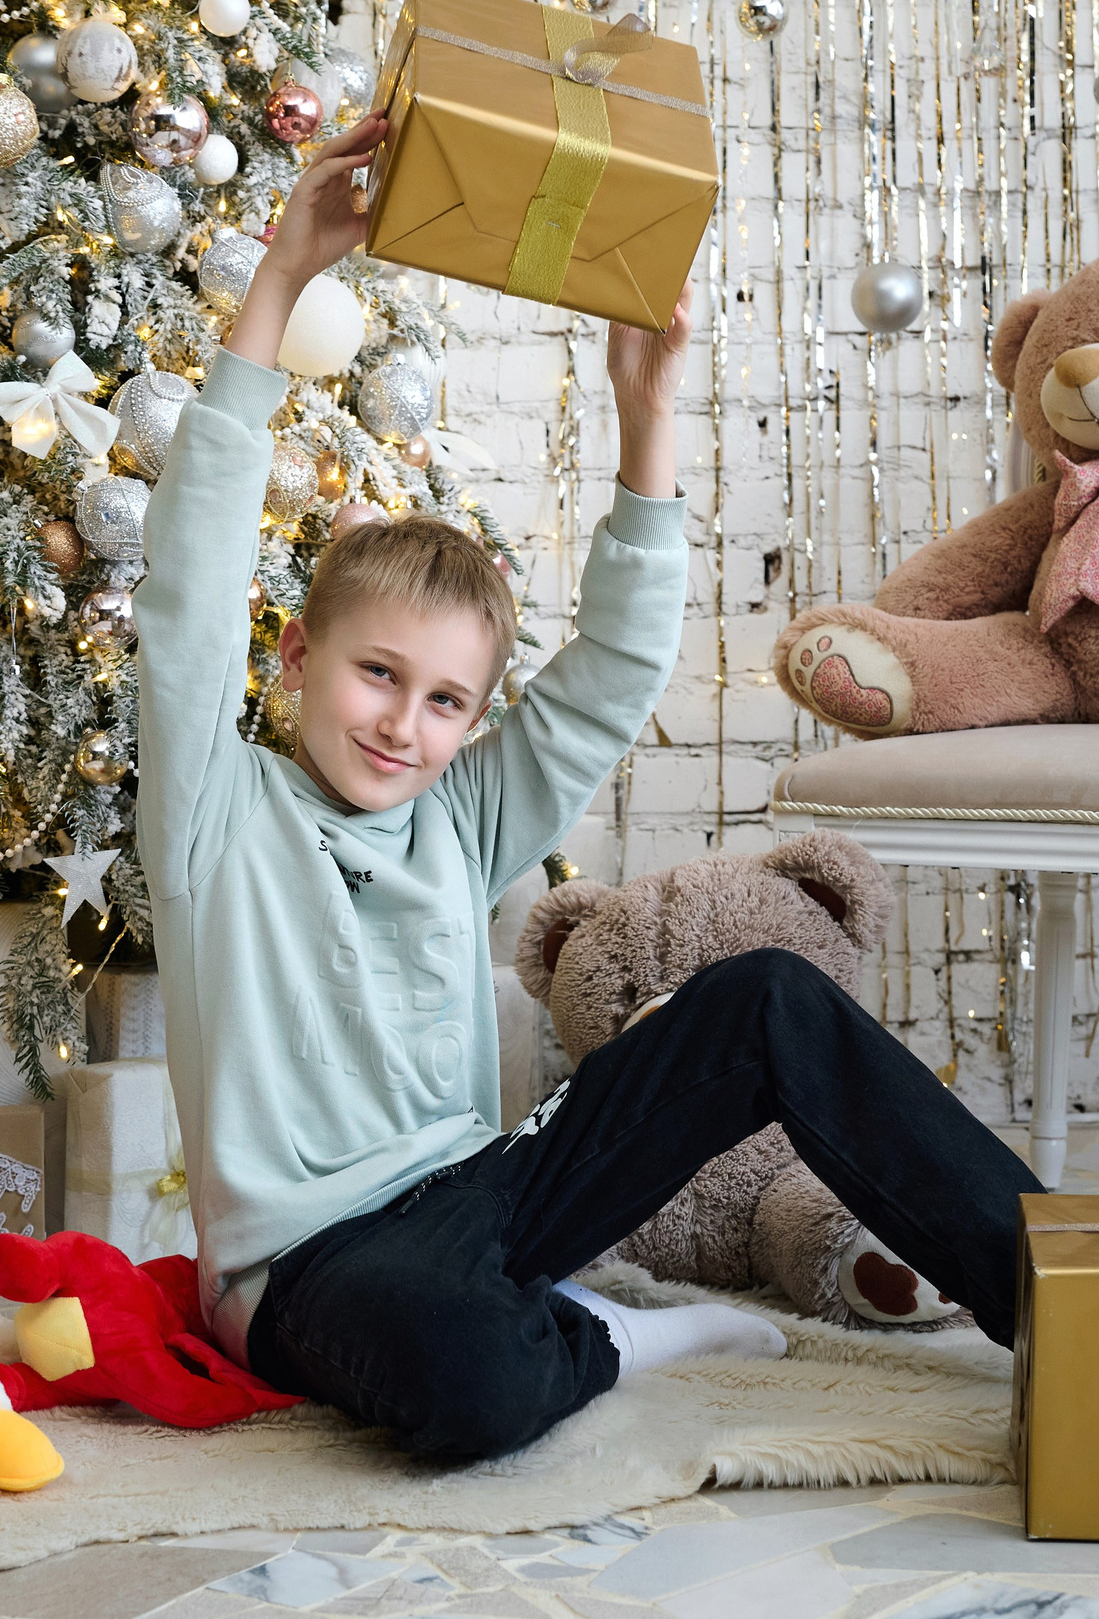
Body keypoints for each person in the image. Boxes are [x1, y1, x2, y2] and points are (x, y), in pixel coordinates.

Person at [136, 113, 1040, 1463]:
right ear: (297, 658)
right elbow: (190, 583)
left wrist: (647, 412)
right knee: (469, 1381)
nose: (404, 726)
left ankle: (1072, 1300)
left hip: (491, 1192)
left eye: (446, 701)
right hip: (310, 1265)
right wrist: (281, 283)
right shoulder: (215, 808)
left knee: (772, 1002)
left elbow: (613, 674)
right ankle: (616, 1337)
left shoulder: (458, 818)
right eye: (376, 677)